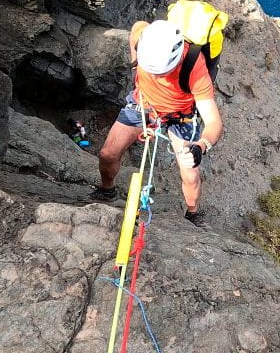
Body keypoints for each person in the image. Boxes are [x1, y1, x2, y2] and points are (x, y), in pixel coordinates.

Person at [95, 19, 224, 229]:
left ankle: (193, 213)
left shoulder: (195, 67)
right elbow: (137, 26)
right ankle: (106, 189)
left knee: (190, 175)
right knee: (108, 154)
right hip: (144, 103)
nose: (155, 75)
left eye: (161, 72)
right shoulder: (142, 37)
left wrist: (201, 146)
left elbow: (214, 122)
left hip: (181, 114)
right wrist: (136, 60)